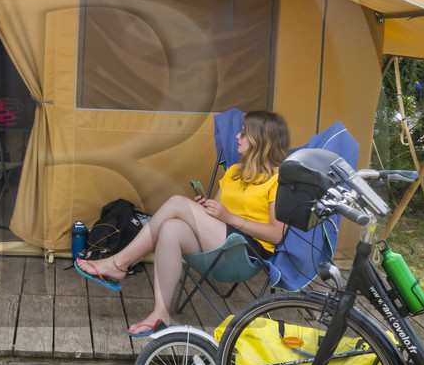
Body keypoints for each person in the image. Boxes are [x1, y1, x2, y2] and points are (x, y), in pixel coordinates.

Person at [75, 110, 291, 337]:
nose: (237, 136)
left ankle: (119, 263)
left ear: (262, 141)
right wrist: (205, 208)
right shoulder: (235, 172)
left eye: (245, 134)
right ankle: (160, 313)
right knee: (171, 229)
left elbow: (276, 235)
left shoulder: (280, 181)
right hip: (220, 243)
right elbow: (217, 214)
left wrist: (230, 218)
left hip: (246, 253)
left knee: (177, 203)